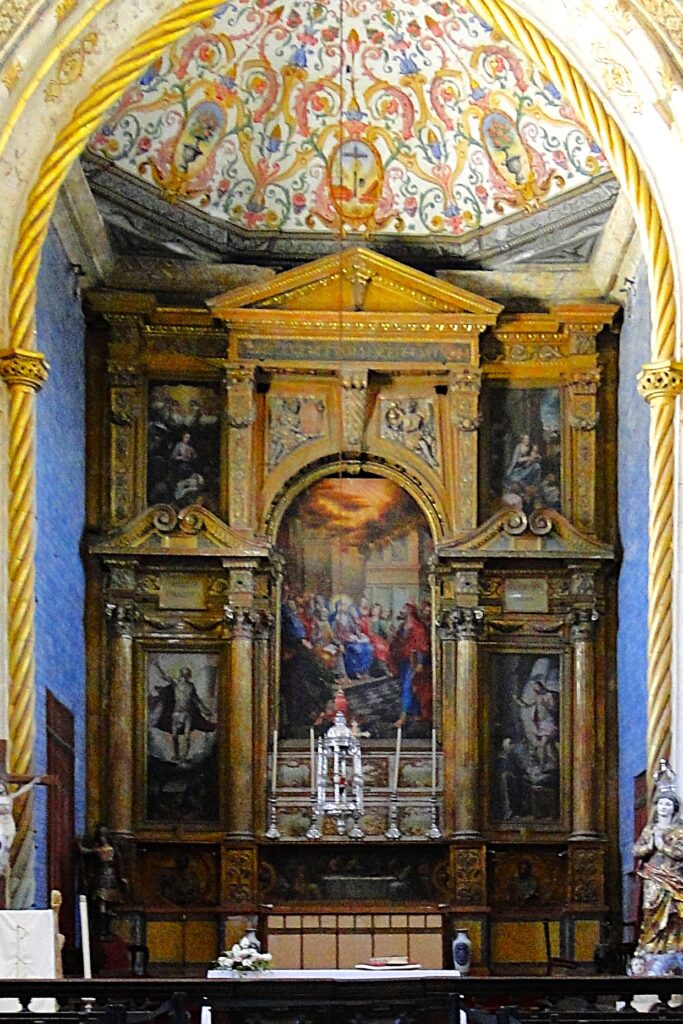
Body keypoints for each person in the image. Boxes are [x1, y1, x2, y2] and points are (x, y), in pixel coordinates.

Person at [633, 761, 683, 956]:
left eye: (667, 804)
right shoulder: (650, 829)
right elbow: (636, 851)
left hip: (674, 876)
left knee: (675, 914)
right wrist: (650, 846)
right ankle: (651, 944)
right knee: (651, 909)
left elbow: (681, 853)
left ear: (674, 808)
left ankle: (673, 944)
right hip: (654, 876)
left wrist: (664, 847)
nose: (663, 807)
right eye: (661, 804)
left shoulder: (679, 831)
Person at [150, 661, 216, 762]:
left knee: (186, 736)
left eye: (187, 675)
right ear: (181, 675)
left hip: (188, 714)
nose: (186, 677)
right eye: (184, 674)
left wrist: (205, 710)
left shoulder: (191, 686)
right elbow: (163, 676)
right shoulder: (175, 683)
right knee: (175, 735)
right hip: (176, 713)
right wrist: (156, 666)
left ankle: (184, 757)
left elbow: (196, 700)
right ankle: (176, 755)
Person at [77, 823, 128, 938]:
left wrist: (79, 842)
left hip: (104, 877)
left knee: (104, 904)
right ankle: (103, 930)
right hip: (107, 877)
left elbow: (84, 851)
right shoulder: (109, 850)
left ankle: (104, 929)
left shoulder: (102, 850)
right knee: (103, 903)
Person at [0, 774, 45, 877]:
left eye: (1, 787)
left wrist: (33, 782)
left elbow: (22, 790)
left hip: (9, 824)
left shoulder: (9, 797)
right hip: (0, 824)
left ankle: (4, 865)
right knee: (2, 844)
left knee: (7, 846)